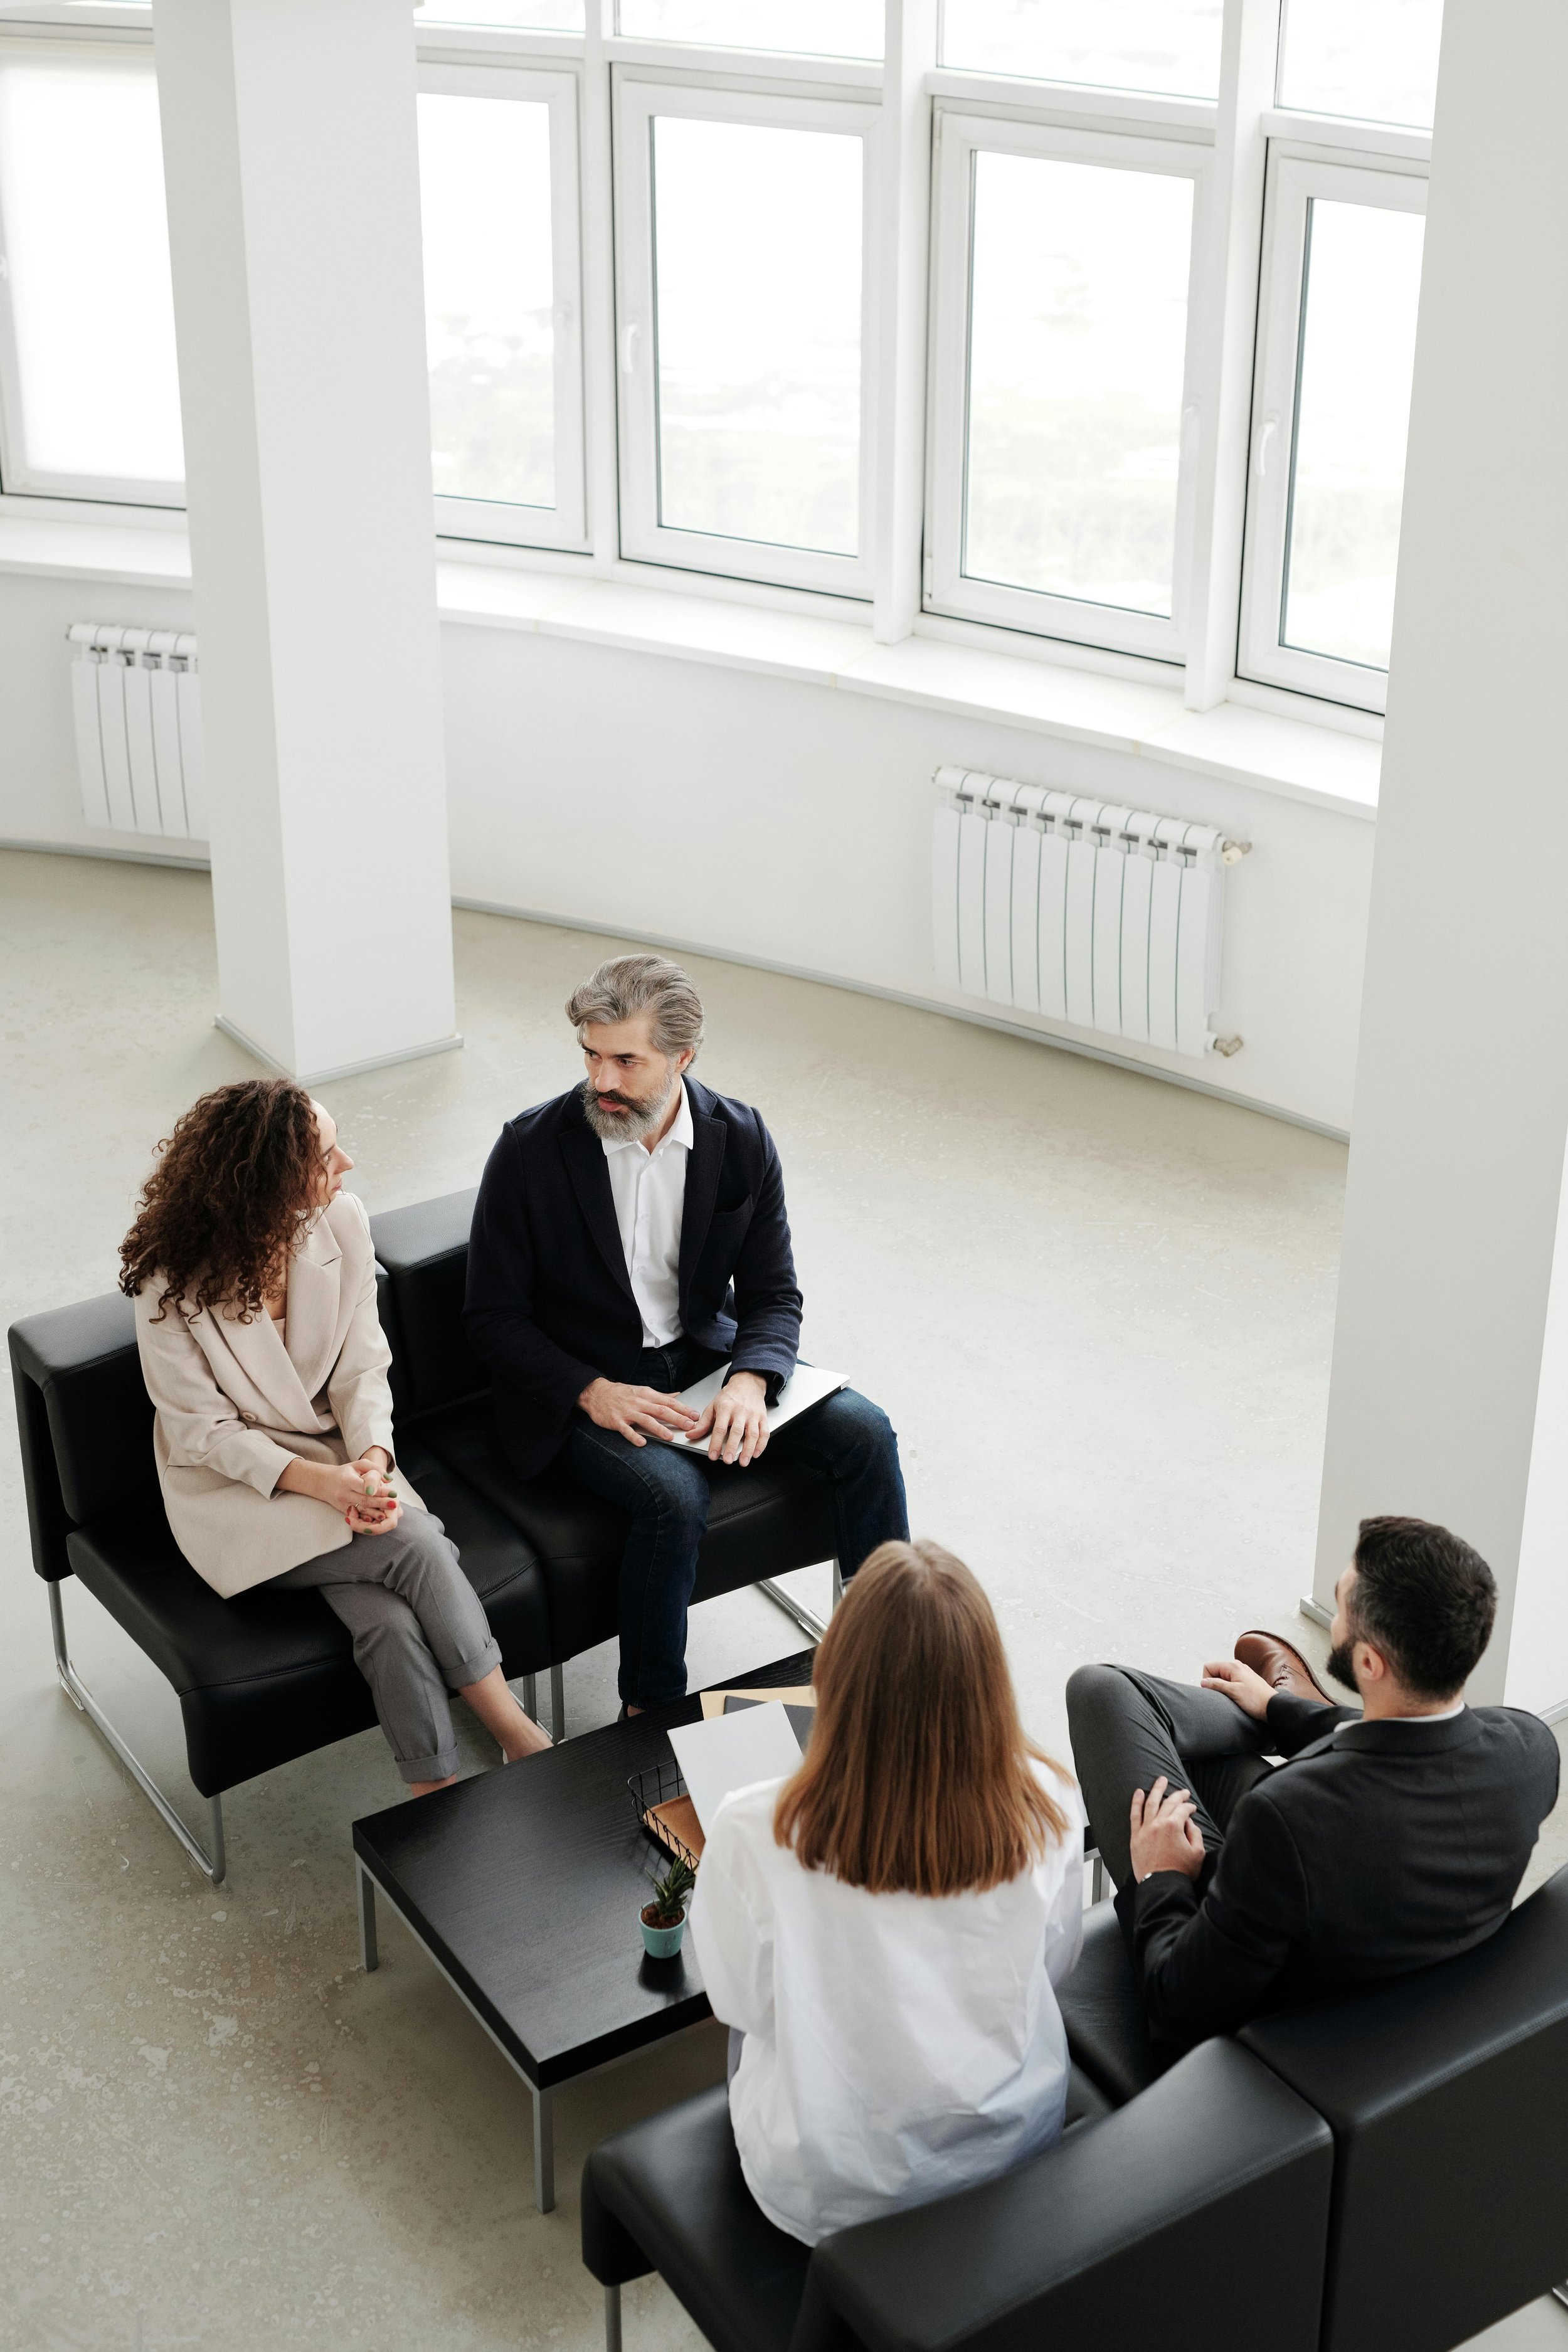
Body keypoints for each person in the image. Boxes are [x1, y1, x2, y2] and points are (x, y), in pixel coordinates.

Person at [464, 953, 909, 1712]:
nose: (600, 1081)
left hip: (707, 1357)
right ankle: (650, 1713)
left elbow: (773, 1292)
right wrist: (591, 1392)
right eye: (591, 1055)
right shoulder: (530, 1149)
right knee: (673, 1497)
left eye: (625, 1061)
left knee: (867, 1432)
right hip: (586, 1383)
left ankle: (893, 1665)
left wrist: (749, 1379)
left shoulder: (739, 1137)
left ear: (683, 1058)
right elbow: (490, 1319)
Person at [122, 1079, 550, 1796]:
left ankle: (433, 1794)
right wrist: (325, 1484)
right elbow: (202, 1431)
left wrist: (373, 1462)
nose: (347, 1163)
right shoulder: (169, 1283)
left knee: (385, 1622)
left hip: (348, 1458)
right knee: (412, 1542)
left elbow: (362, 1366)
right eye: (325, 1153)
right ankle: (519, 1736)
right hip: (239, 1489)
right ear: (267, 1180)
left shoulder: (341, 1222)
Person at [687, 1540, 1084, 2246]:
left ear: (836, 1675)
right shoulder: (1049, 1804)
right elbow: (1052, 1967)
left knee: (748, 2038)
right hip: (1014, 2142)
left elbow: (737, 2003)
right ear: (988, 1682)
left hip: (831, 2195)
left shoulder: (754, 1827)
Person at [1066, 1515, 1560, 2050]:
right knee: (1210, 1748)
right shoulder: (1530, 1750)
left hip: (1255, 2028)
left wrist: (1161, 1879)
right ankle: (1269, 1710)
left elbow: (1177, 2009)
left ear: (1369, 1661)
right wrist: (1279, 1708)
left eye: (1341, 1605)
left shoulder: (1285, 1817)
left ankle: (1233, 1724)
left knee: (1100, 1691)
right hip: (1352, 1922)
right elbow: (1423, 1738)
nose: (1336, 1616)